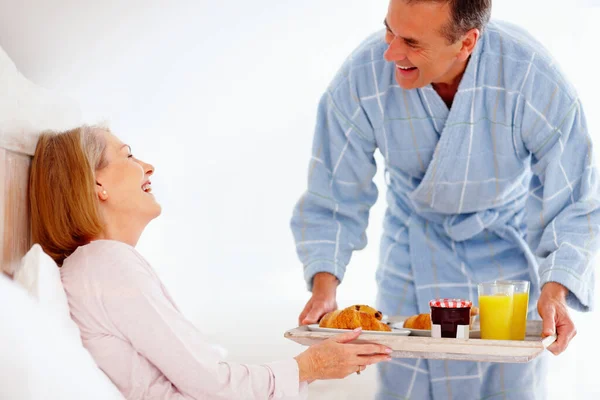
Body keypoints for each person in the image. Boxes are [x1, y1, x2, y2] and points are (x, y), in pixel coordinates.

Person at [290, 0, 599, 399]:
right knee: (408, 385)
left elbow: (573, 198)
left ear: (467, 41)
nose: (390, 52)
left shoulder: (530, 77)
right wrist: (323, 288)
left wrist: (555, 290)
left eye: (412, 43)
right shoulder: (363, 76)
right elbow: (333, 193)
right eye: (389, 30)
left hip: (504, 261)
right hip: (412, 255)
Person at [28, 125, 393, 400]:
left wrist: (308, 370)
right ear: (96, 184)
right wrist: (310, 366)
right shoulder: (106, 264)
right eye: (128, 156)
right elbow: (211, 385)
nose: (148, 167)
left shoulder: (96, 266)